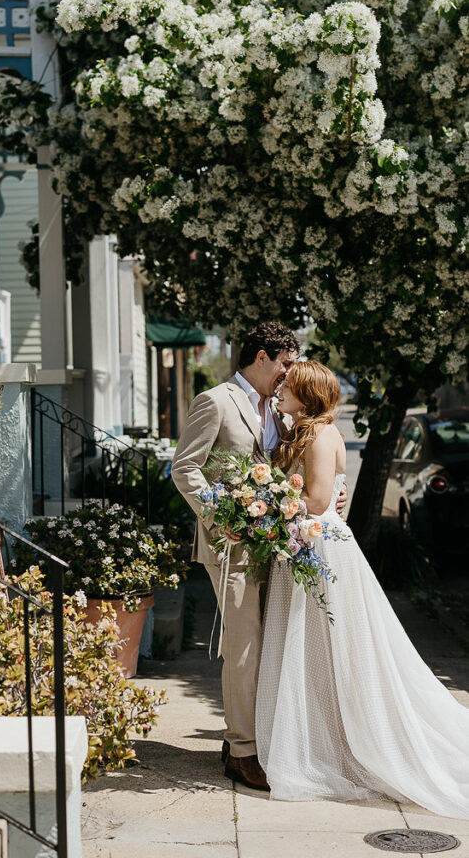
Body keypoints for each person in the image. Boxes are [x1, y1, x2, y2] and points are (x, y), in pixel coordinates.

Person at [256, 360, 469, 817]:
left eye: (289, 386)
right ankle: (324, 729)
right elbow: (329, 494)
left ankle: (335, 743)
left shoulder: (316, 435)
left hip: (315, 545)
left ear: (307, 393)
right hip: (312, 540)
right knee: (320, 647)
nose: (281, 390)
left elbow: (314, 500)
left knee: (323, 644)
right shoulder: (309, 430)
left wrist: (261, 504)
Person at [171, 322, 347, 791]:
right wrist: (219, 515)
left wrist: (333, 498)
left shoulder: (284, 412)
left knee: (269, 647)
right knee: (244, 648)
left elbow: (306, 464)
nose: (289, 375)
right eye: (286, 363)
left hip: (278, 548)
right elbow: (185, 467)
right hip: (230, 546)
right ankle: (242, 754)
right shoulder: (216, 400)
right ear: (264, 356)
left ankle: (252, 739)